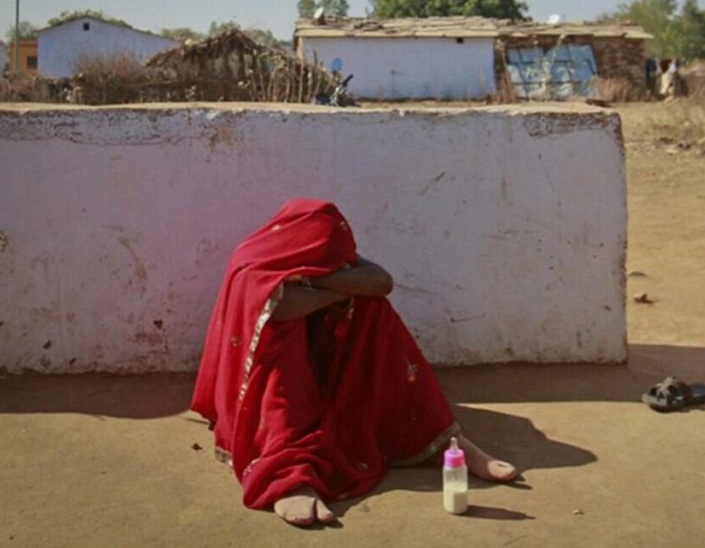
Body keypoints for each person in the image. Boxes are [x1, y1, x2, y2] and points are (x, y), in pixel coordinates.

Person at [191, 199, 516, 527]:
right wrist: (338, 286)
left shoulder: (327, 252)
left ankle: (440, 441)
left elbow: (380, 282)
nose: (334, 264)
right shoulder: (252, 264)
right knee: (282, 331)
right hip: (271, 375)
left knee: (373, 309)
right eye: (326, 260)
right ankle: (289, 471)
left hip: (322, 359)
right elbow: (283, 307)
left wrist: (323, 279)